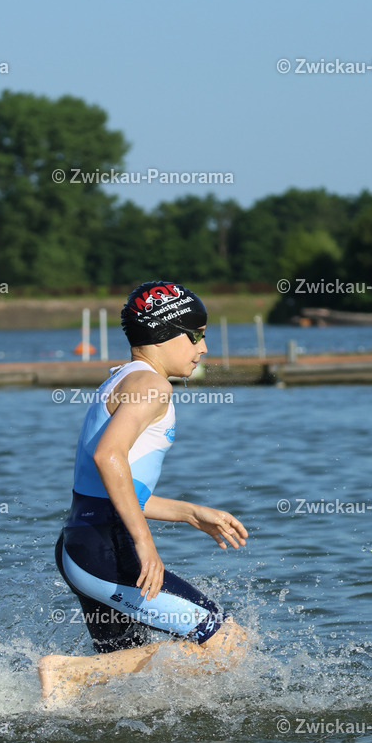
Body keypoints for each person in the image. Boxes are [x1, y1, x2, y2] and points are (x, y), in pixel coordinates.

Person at [38, 281, 250, 702]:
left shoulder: (124, 378)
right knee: (230, 644)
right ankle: (67, 673)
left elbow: (113, 488)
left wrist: (191, 513)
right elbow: (108, 455)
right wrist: (144, 542)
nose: (203, 347)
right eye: (197, 334)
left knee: (122, 691)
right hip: (107, 551)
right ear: (165, 333)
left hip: (82, 545)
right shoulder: (153, 386)